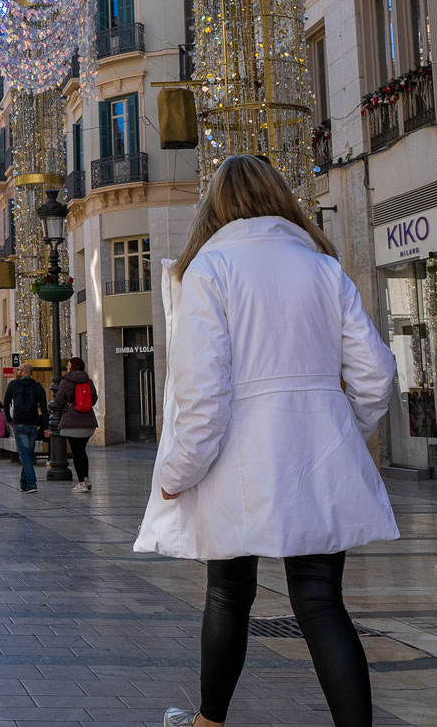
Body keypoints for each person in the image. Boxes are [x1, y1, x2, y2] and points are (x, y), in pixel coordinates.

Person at [135, 155, 397, 727]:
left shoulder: (210, 269)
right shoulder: (324, 268)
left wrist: (176, 474)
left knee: (229, 592)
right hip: (318, 454)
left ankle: (210, 723)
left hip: (237, 463)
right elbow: (376, 374)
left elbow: (203, 396)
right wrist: (345, 429)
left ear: (217, 208)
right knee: (321, 599)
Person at [54, 355, 98, 493]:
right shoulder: (88, 381)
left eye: (68, 365)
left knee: (77, 453)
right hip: (88, 422)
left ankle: (82, 482)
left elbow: (59, 402)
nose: (67, 367)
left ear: (72, 367)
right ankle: (86, 478)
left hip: (72, 422)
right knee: (82, 452)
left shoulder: (66, 381)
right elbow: (94, 399)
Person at [3, 364, 48, 493]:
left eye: (18, 370)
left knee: (24, 455)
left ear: (24, 372)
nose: (16, 371)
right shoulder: (38, 387)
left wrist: (9, 420)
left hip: (19, 424)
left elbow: (6, 403)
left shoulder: (13, 385)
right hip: (33, 424)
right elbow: (44, 408)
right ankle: (24, 484)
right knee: (27, 454)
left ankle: (32, 484)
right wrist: (46, 427)